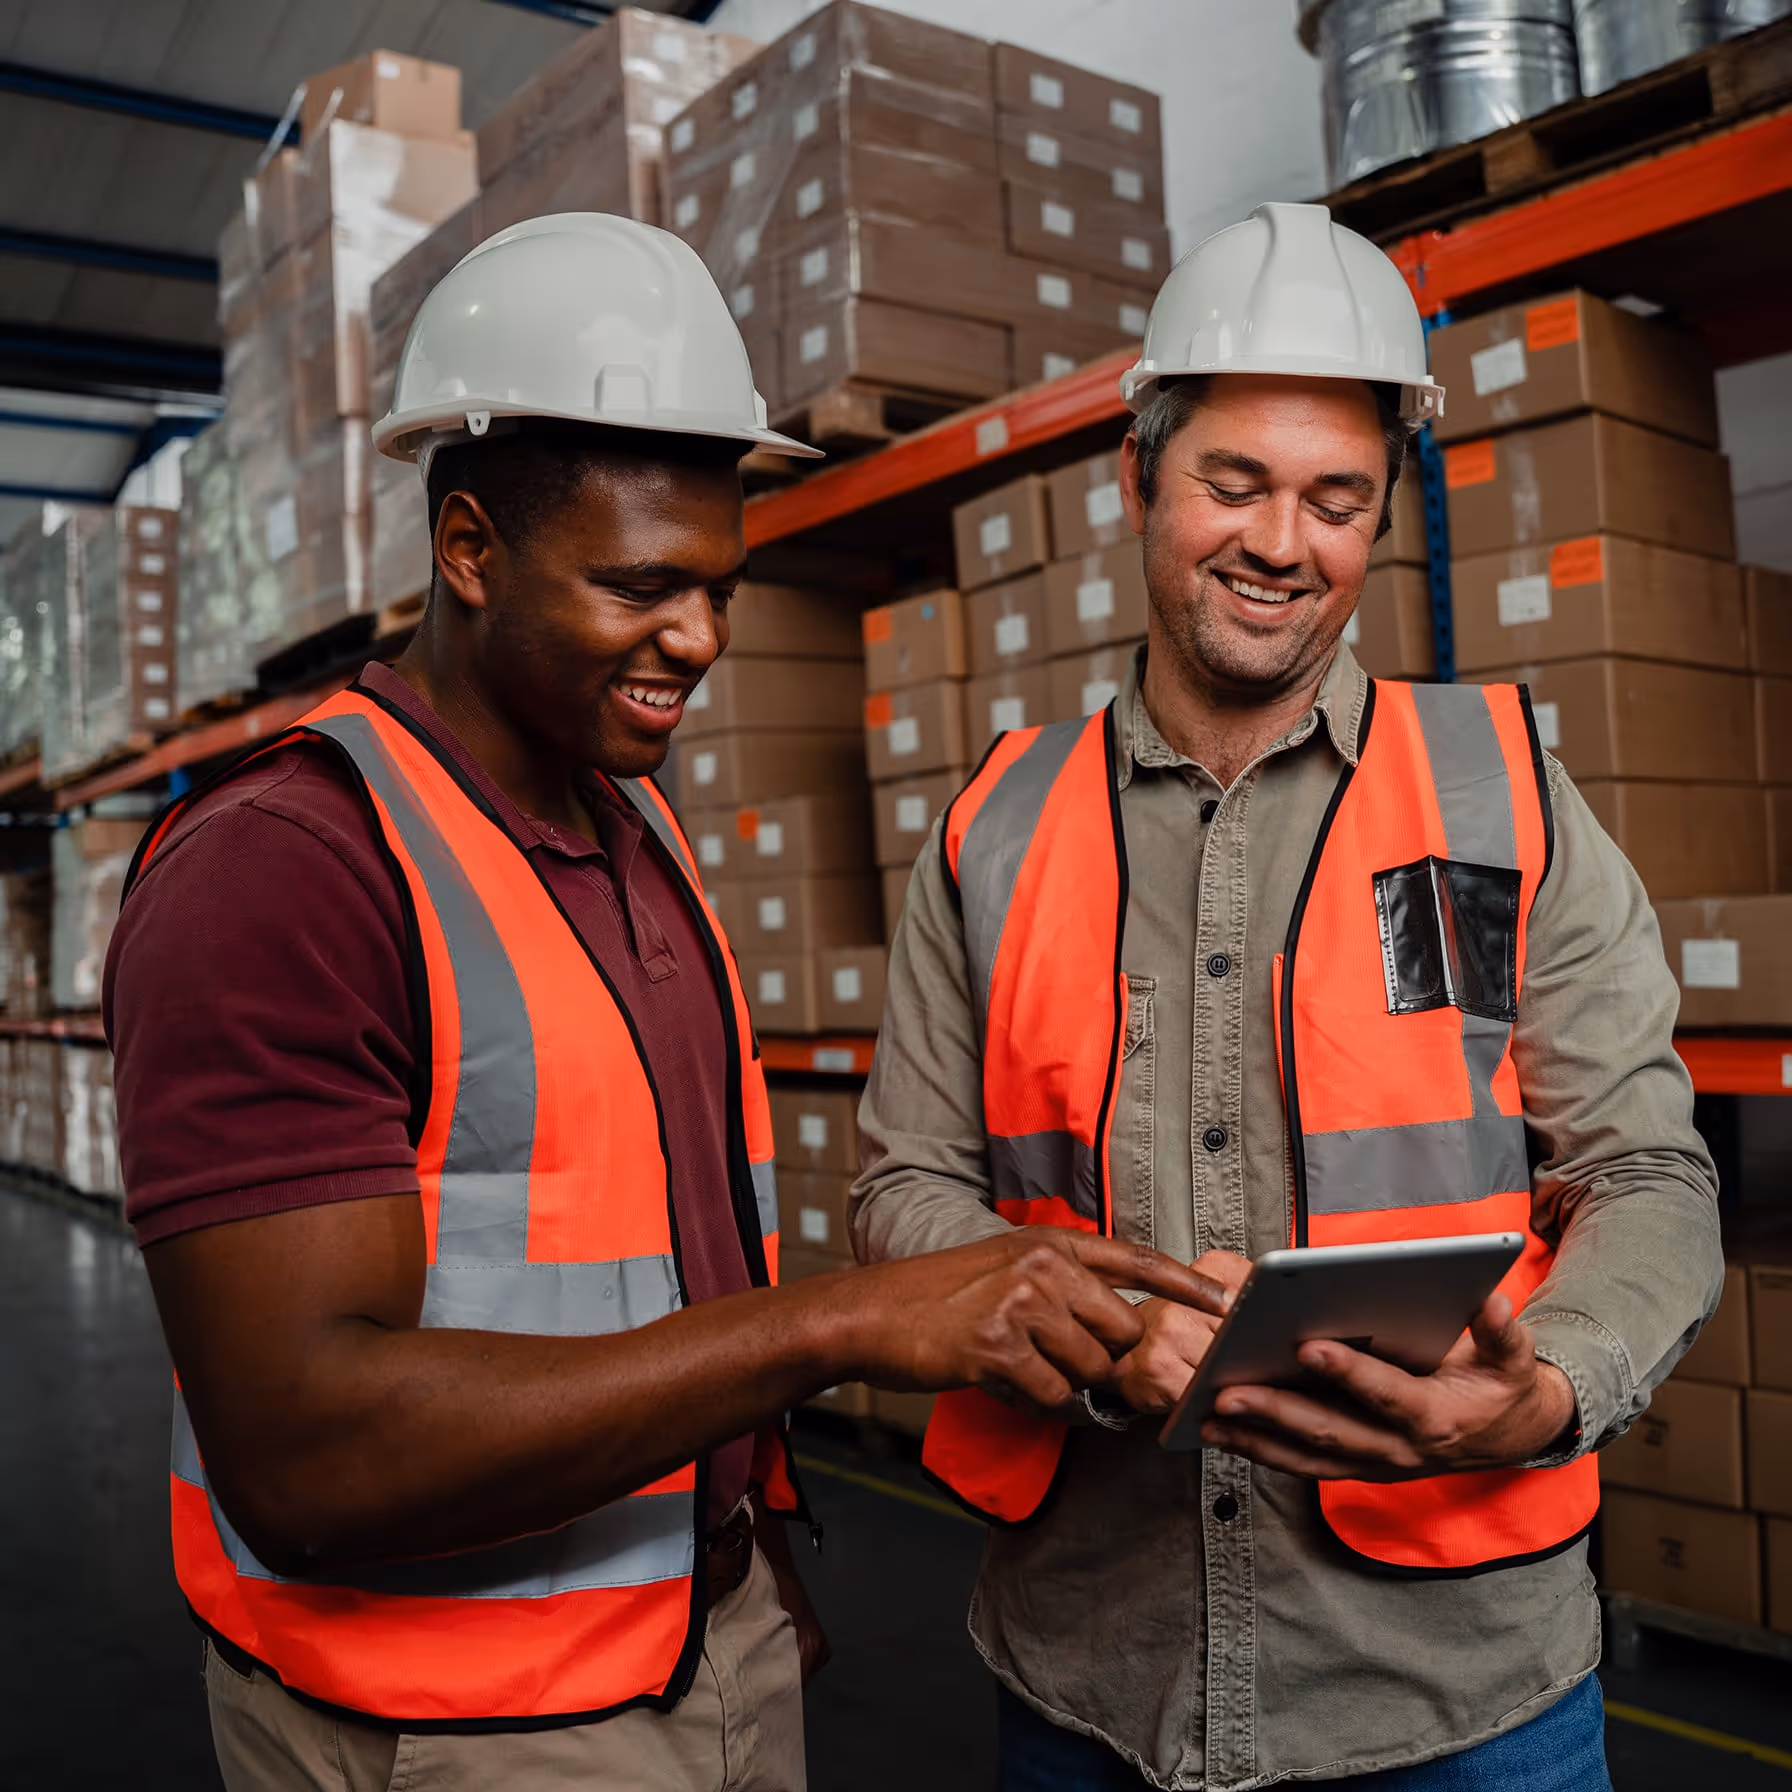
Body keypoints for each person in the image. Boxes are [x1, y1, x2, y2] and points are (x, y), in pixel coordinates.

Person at [105, 213, 1224, 1792]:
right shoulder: (285, 868)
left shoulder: (631, 825)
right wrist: (838, 1325)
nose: (696, 640)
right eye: (639, 585)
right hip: (451, 1726)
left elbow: (673, 1244)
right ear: (469, 548)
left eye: (718, 586)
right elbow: (301, 1455)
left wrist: (745, 1544)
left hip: (702, 1648)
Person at [854, 202, 1723, 1790]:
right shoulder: (996, 828)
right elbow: (905, 1190)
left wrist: (1546, 1392)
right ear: (1137, 480)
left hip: (1459, 1696)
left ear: (1380, 516)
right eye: (1234, 483)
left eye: (1336, 500)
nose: (1281, 543)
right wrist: (1095, 1331)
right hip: (1092, 1671)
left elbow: (1648, 1174)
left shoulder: (1500, 795)